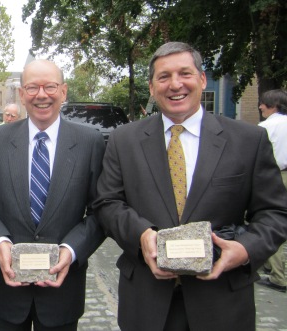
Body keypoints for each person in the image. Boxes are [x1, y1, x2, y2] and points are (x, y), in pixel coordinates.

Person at [93, 42, 287, 331]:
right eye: (163, 77)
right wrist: (141, 236)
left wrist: (245, 250)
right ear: (151, 86)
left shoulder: (248, 140)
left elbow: (275, 212)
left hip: (222, 302)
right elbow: (107, 203)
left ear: (202, 79)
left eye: (184, 73)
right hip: (146, 302)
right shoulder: (124, 140)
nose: (175, 84)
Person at [0, 59, 106, 330]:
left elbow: (100, 211)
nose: (41, 95)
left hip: (62, 291)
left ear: (64, 91)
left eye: (50, 86)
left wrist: (71, 250)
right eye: (32, 87)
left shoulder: (90, 142)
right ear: (21, 94)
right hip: (7, 291)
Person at [256, 89, 287, 293]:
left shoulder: (264, 128)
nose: (260, 107)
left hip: (273, 176)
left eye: (263, 104)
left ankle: (278, 276)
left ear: (272, 105)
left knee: (269, 220)